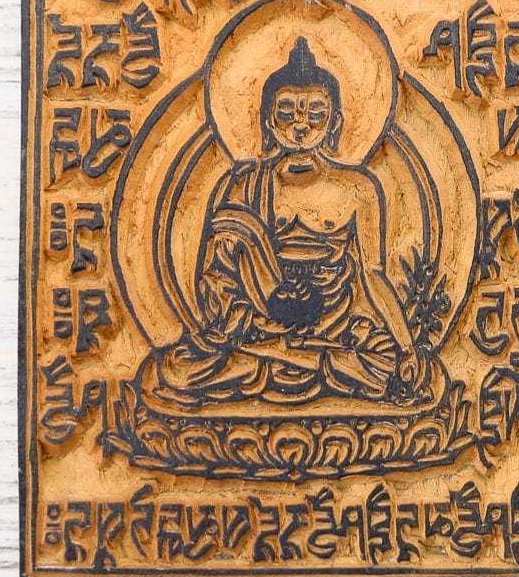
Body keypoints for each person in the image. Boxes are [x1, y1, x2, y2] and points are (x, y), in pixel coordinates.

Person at [142, 36, 430, 409]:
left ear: (335, 121)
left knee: (386, 362)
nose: (300, 125)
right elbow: (218, 276)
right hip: (259, 327)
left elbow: (372, 275)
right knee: (178, 368)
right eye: (287, 110)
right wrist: (247, 314)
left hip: (334, 326)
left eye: (315, 112)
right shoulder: (245, 184)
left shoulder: (358, 188)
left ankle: (289, 358)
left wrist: (406, 346)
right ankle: (291, 358)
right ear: (267, 118)